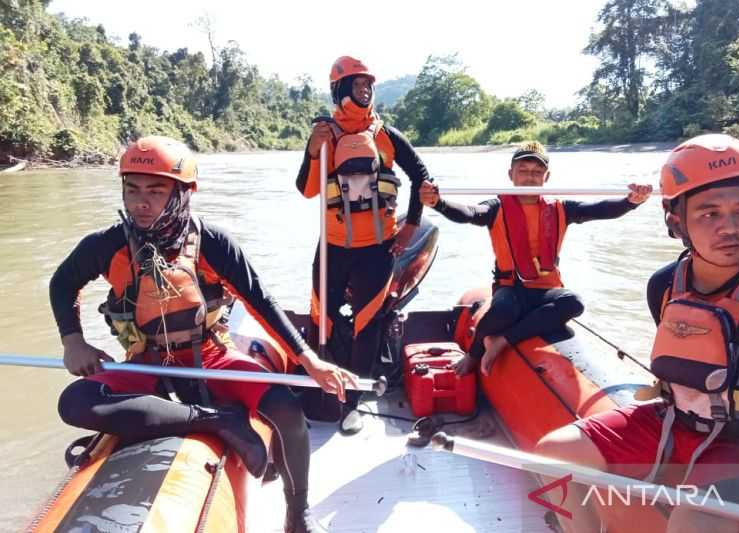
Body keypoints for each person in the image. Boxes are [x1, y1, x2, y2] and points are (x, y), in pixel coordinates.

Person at [51, 136, 357, 533]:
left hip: (211, 358)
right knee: (74, 401)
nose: (141, 202)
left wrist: (307, 359)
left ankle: (297, 514)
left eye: (156, 191)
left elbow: (260, 301)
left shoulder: (212, 242)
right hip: (147, 362)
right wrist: (72, 339)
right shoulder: (106, 244)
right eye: (132, 190)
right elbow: (62, 283)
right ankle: (216, 420)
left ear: (181, 194)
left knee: (286, 408)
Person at [534, 133, 739, 533]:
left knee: (693, 522)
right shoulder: (663, 285)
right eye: (709, 214)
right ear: (676, 222)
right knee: (551, 455)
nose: (731, 227)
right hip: (680, 424)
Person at [419, 141, 652, 376]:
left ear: (546, 176)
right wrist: (438, 203)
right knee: (504, 310)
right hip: (510, 289)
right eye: (523, 171)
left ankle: (503, 341)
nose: (530, 178)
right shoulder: (496, 207)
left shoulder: (561, 207)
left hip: (546, 290)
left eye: (537, 172)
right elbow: (469, 213)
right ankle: (475, 353)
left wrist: (630, 202)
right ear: (511, 175)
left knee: (574, 303)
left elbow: (600, 209)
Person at [295, 56, 430, 434]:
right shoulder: (326, 134)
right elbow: (306, 190)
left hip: (378, 250)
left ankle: (355, 401)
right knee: (323, 317)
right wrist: (312, 150)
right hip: (334, 248)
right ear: (340, 90)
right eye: (357, 85)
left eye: (368, 84)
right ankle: (325, 385)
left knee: (367, 324)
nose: (365, 90)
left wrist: (412, 224)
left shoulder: (384, 134)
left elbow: (421, 175)